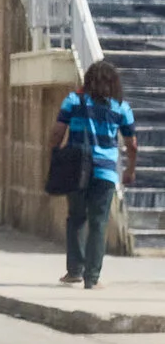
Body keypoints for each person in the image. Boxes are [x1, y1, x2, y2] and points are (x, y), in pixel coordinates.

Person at [53, 60, 138, 289]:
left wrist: (55, 155)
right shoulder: (121, 107)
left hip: (76, 169)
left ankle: (74, 272)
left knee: (76, 218)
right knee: (98, 223)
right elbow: (132, 144)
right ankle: (92, 277)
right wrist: (130, 169)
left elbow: (58, 131)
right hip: (105, 171)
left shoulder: (73, 101)